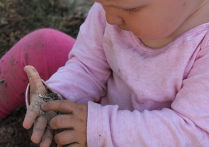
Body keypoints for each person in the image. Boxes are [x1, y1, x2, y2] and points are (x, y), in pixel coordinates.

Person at [1, 0, 209, 146]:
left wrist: (99, 130)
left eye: (132, 8)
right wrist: (56, 97)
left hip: (150, 139)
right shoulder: (113, 10)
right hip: (95, 115)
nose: (109, 18)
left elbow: (193, 134)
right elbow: (88, 67)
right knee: (44, 44)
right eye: (102, 3)